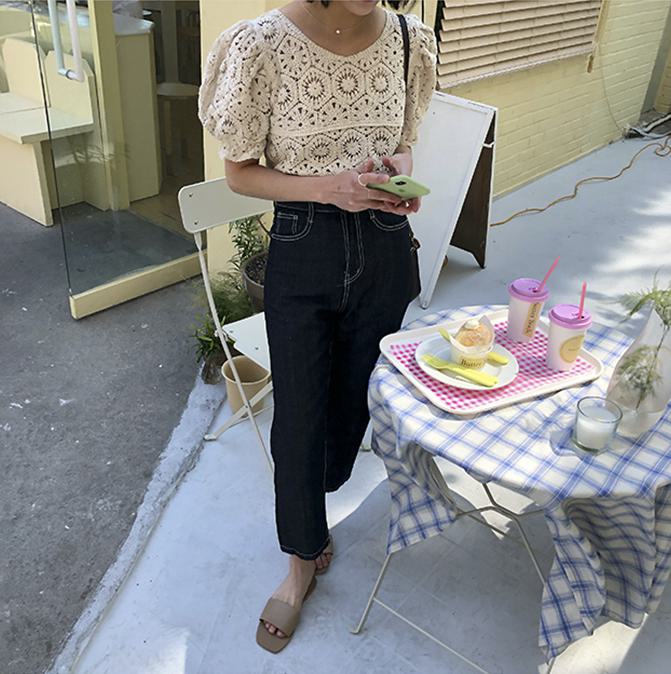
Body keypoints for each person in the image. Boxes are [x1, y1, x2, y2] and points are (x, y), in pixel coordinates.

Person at [198, 0, 436, 652]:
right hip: (304, 245)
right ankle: (300, 558)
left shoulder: (408, 39)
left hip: (385, 243)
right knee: (300, 415)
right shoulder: (261, 45)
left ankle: (318, 499)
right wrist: (327, 188)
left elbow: (403, 140)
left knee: (355, 400)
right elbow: (239, 173)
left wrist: (397, 173)